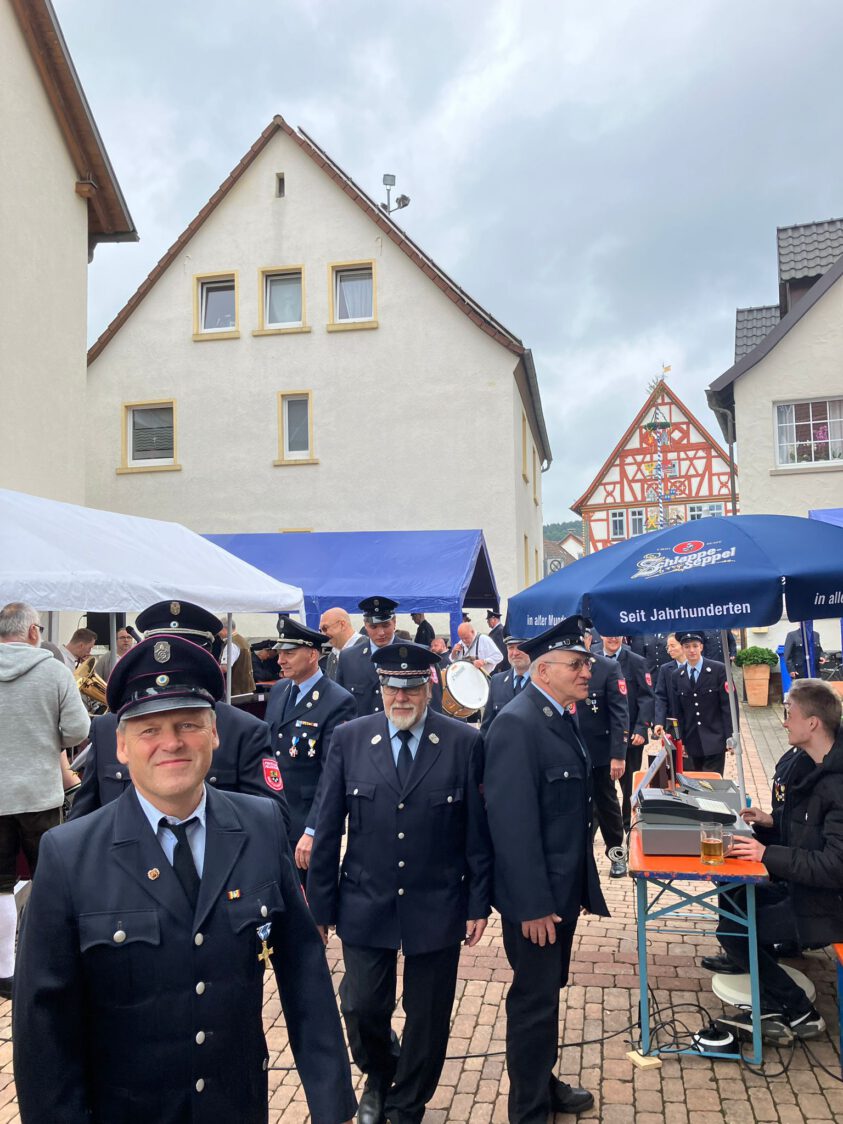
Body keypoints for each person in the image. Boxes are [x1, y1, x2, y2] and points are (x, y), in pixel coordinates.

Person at [13, 634, 356, 1122]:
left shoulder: (259, 825)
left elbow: (302, 967)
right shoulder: (69, 855)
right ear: (122, 746)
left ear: (215, 733)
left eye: (188, 724)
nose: (171, 742)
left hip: (236, 1105)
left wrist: (331, 1101)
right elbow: (43, 1025)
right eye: (149, 729)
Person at [308, 642, 491, 1124]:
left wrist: (478, 904)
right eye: (393, 686)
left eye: (412, 686)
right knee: (362, 1007)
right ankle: (380, 1075)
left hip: (438, 900)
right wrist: (320, 911)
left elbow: (477, 833)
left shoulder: (463, 742)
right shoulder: (349, 739)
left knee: (428, 1017)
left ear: (428, 687)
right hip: (366, 899)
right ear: (380, 688)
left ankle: (408, 1103)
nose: (401, 697)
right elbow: (327, 829)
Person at [483, 617, 608, 1123]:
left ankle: (543, 1079)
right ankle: (528, 1109)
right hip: (535, 904)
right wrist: (533, 905)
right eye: (578, 664)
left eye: (587, 663)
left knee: (547, 995)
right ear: (544, 670)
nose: (587, 672)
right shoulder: (518, 723)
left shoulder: (557, 714)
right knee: (533, 1003)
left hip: (558, 893)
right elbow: (512, 827)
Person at [69, 600, 290, 829]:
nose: (171, 743)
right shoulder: (108, 729)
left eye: (183, 652)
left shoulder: (244, 730)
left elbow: (271, 823)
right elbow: (84, 821)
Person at [712, 679, 843, 1044]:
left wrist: (767, 855)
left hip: (829, 904)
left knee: (734, 930)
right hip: (809, 889)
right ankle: (759, 965)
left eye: (790, 713)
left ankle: (798, 1009)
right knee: (735, 893)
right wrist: (770, 825)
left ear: (813, 723)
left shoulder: (836, 784)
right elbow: (805, 835)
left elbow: (834, 866)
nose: (784, 722)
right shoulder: (815, 766)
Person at [0, 602, 90, 999]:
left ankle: (4, 970)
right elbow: (76, 730)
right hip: (40, 792)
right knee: (50, 881)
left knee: (0, 886)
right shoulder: (53, 670)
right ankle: (49, 962)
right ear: (34, 632)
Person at [264, 618, 356, 879]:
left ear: (313, 654)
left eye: (289, 653)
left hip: (307, 823)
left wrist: (313, 829)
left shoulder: (337, 701)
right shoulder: (281, 690)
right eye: (280, 652)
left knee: (310, 905)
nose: (280, 660)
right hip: (274, 815)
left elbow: (332, 773)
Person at [574, 638, 630, 878]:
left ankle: (617, 855)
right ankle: (577, 860)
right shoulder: (561, 667)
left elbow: (620, 713)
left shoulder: (607, 668)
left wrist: (618, 754)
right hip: (569, 750)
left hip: (598, 752)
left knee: (607, 805)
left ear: (589, 640)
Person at [600, 635, 654, 832]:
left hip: (630, 737)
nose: (613, 638)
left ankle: (628, 827)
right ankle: (608, 827)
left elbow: (647, 697)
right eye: (608, 634)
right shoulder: (593, 660)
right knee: (603, 787)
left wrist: (641, 728)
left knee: (629, 787)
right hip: (602, 739)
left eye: (617, 634)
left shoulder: (636, 661)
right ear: (602, 636)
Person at [671, 630, 734, 774]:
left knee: (712, 786)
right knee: (692, 785)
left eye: (695, 646)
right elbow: (677, 711)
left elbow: (728, 706)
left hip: (715, 738)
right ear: (682, 649)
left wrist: (730, 735)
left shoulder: (719, 670)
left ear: (701, 647)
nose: (691, 650)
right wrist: (679, 739)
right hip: (691, 741)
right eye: (687, 646)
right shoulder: (677, 676)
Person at [336, 596, 400, 716]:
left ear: (394, 622)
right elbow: (339, 704)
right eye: (373, 627)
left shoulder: (415, 654)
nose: (381, 633)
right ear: (365, 625)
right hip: (360, 732)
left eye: (386, 625)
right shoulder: (348, 658)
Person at [480, 636, 531, 734]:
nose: (515, 653)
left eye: (520, 647)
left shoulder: (544, 682)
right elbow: (487, 727)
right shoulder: (497, 681)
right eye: (511, 648)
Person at [320, 607, 365, 680]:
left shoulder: (367, 648)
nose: (323, 634)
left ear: (342, 625)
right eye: (321, 630)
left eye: (325, 628)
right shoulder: (332, 655)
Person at [218, 618, 255, 695]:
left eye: (219, 630)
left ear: (224, 629)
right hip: (246, 687)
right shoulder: (243, 640)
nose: (218, 633)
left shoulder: (232, 644)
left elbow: (225, 667)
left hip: (236, 690)